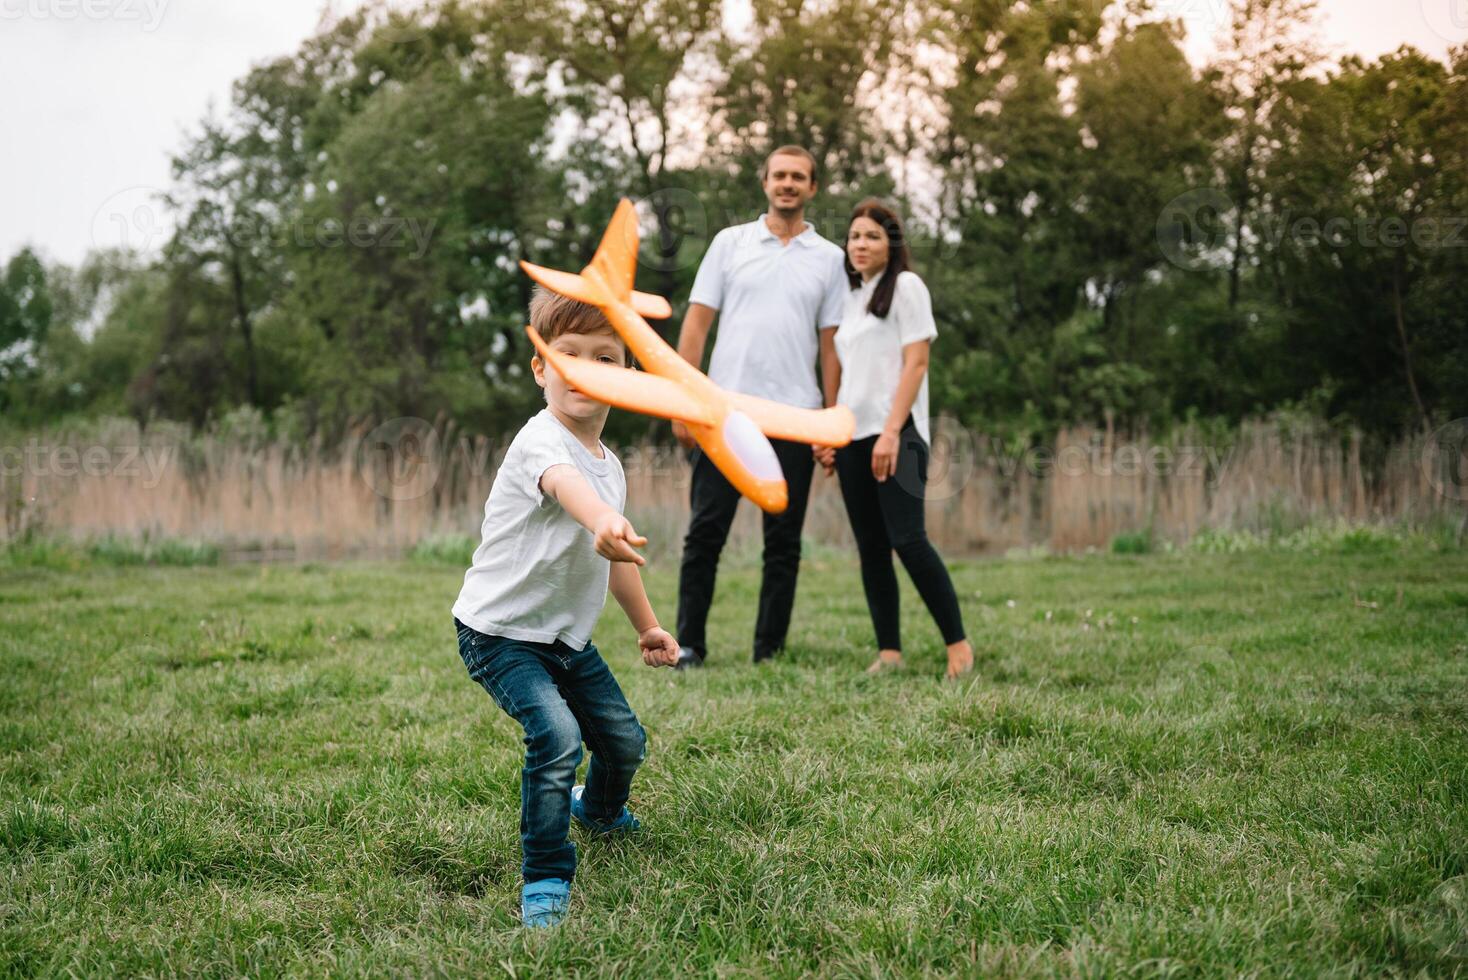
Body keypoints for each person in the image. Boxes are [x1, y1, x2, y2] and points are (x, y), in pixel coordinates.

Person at [451, 286, 681, 929]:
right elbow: (566, 487)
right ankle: (546, 876)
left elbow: (614, 559)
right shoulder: (540, 441)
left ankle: (601, 811)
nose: (584, 369)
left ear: (628, 377)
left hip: (566, 640)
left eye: (604, 358)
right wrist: (603, 518)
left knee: (625, 743)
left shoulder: (612, 466)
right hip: (499, 634)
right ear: (540, 368)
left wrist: (649, 626)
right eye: (569, 354)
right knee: (557, 738)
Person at [671, 144, 848, 668]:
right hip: (724, 415)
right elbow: (696, 326)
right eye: (779, 175)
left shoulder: (831, 259)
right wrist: (684, 403)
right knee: (705, 534)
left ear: (812, 188)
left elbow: (831, 346)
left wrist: (829, 424)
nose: (787, 183)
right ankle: (689, 646)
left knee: (784, 544)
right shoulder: (730, 243)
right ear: (765, 183)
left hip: (795, 417)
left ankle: (769, 651)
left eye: (798, 177)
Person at [814, 199, 975, 680]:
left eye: (872, 237)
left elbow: (916, 364)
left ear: (892, 244)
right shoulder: (852, 297)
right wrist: (830, 433)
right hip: (852, 438)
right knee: (870, 546)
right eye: (855, 236)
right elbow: (848, 379)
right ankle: (889, 652)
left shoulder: (907, 287)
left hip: (898, 436)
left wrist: (889, 432)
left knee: (908, 539)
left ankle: (959, 647)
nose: (860, 244)